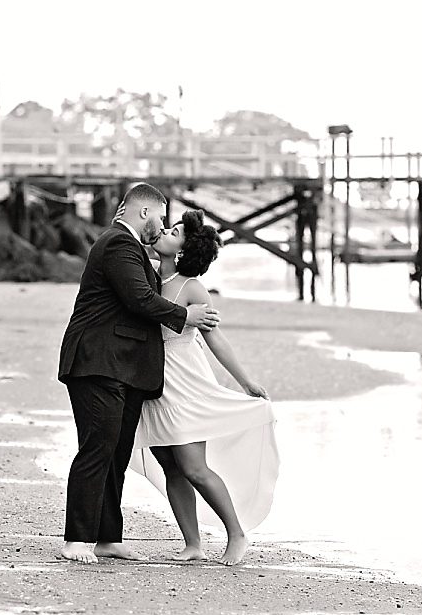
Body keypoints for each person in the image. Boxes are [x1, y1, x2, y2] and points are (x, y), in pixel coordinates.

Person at [56, 183, 219, 564]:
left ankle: (107, 537)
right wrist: (186, 316)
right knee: (97, 449)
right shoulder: (118, 243)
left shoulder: (132, 249)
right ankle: (77, 539)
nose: (160, 226)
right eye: (160, 217)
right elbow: (139, 299)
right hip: (97, 363)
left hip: (122, 368)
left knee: (116, 453)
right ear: (144, 212)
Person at [132, 209, 279, 565]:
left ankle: (237, 534)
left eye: (174, 231)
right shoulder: (147, 277)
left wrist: (245, 381)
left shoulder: (191, 287)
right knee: (168, 462)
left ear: (183, 250)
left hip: (185, 380)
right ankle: (193, 544)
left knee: (193, 465)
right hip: (155, 381)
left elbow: (215, 339)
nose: (165, 231)